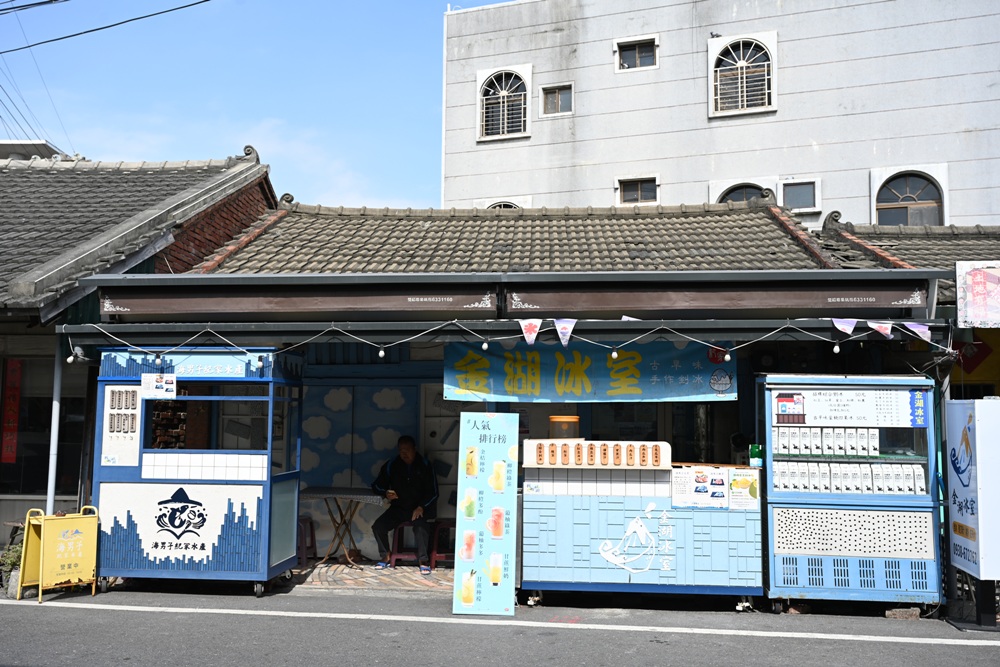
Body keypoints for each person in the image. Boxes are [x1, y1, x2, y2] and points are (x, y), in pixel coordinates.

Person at [370, 435, 438, 574]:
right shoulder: (392, 464)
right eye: (401, 450)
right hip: (398, 507)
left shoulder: (424, 465)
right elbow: (376, 485)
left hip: (418, 509)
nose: (404, 453)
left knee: (420, 528)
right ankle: (386, 555)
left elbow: (434, 492)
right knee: (378, 526)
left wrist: (421, 507)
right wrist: (386, 493)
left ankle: (423, 560)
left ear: (414, 449)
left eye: (407, 450)